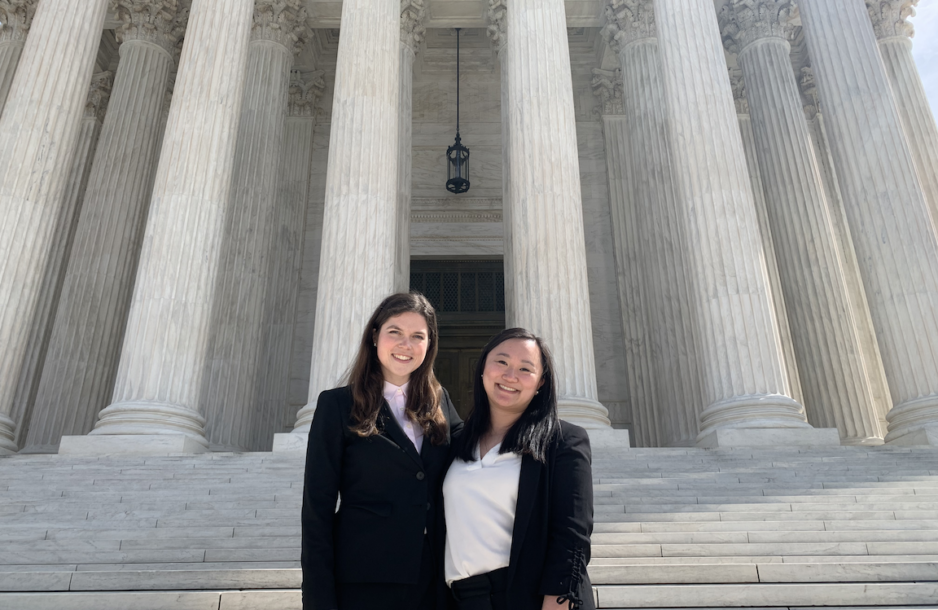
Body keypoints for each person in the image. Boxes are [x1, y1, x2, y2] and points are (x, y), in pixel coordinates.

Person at [301, 292, 463, 610]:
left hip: (433, 582)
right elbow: (316, 511)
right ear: (375, 336)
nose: (406, 344)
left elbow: (470, 459)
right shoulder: (336, 405)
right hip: (365, 583)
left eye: (418, 336)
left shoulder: (440, 401)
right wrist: (319, 600)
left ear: (429, 344)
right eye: (395, 332)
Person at [443, 328, 594, 610]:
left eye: (525, 369)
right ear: (483, 368)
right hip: (463, 599)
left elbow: (572, 535)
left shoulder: (563, 442)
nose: (510, 376)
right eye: (501, 362)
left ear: (540, 383)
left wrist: (557, 601)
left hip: (527, 597)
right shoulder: (456, 444)